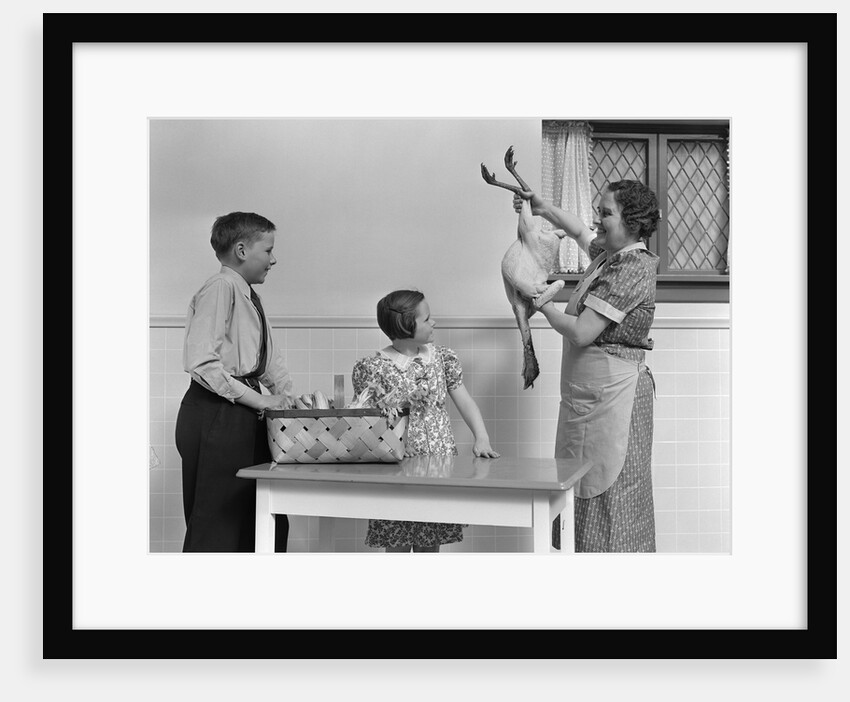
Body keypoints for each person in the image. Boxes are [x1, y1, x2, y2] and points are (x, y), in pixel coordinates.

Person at [513, 180, 660, 553]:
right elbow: (578, 230)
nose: (598, 220)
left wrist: (541, 301)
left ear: (633, 221)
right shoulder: (609, 256)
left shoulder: (632, 267)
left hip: (616, 400)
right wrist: (542, 207)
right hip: (591, 399)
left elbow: (581, 332)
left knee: (612, 494)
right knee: (581, 489)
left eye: (606, 213)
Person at [175, 211, 294, 553]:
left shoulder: (248, 295)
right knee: (218, 521)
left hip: (242, 413)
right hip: (216, 414)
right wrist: (262, 401)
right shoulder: (220, 288)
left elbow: (269, 360)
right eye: (268, 250)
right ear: (242, 250)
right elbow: (202, 364)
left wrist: (286, 398)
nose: (274, 259)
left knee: (263, 515)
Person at [352, 290, 500, 553]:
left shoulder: (442, 358)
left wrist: (482, 437)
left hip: (438, 463)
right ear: (406, 325)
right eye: (427, 319)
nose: (435, 323)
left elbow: (464, 400)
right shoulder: (375, 367)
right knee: (396, 541)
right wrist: (393, 442)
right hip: (397, 469)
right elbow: (368, 419)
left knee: (429, 542)